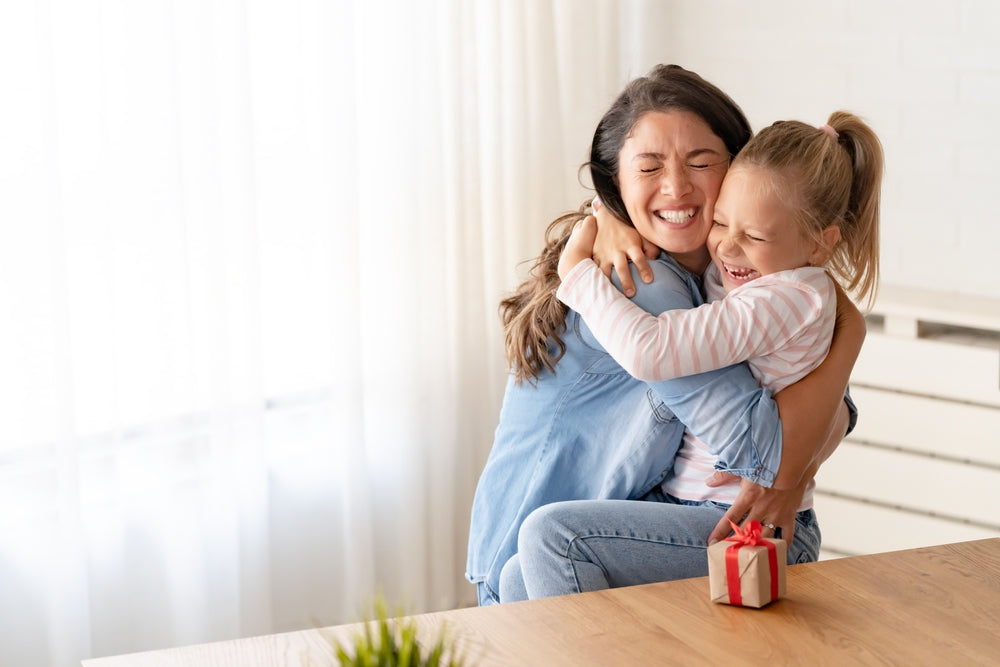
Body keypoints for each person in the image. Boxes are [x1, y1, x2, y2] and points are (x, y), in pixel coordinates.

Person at [465, 64, 865, 606]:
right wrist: (846, 338)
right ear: (616, 184)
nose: (676, 187)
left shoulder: (734, 276)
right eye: (648, 167)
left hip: (602, 542)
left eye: (701, 162)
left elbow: (822, 409)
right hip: (554, 543)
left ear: (740, 169)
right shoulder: (642, 280)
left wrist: (846, 332)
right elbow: (767, 446)